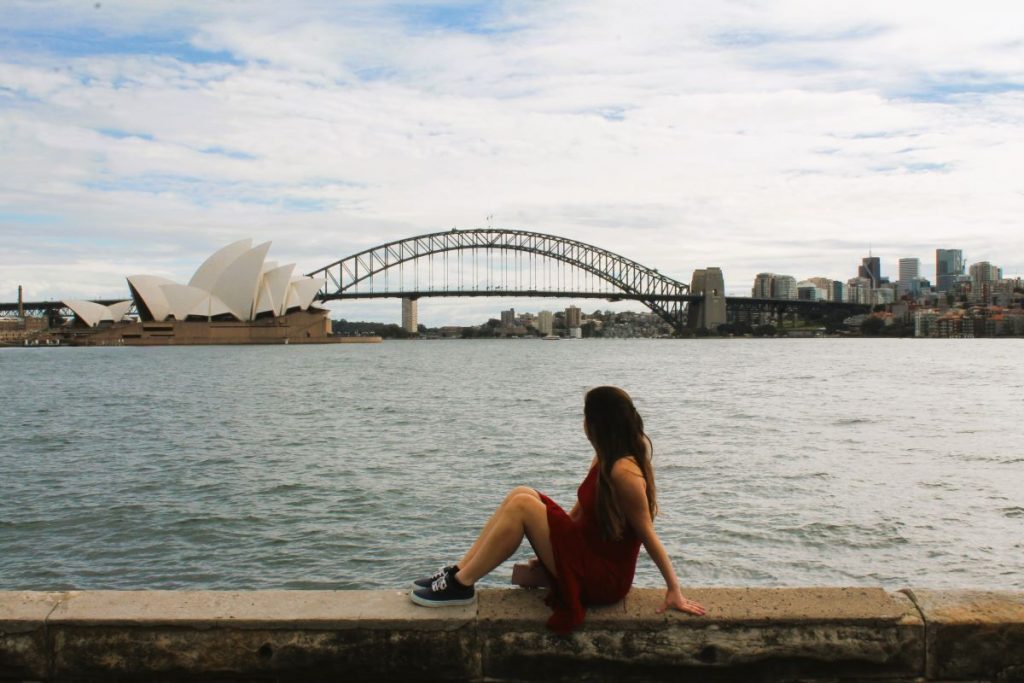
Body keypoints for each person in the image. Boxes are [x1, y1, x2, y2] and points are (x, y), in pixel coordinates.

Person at [409, 386, 706, 633]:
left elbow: (647, 535)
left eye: (584, 416)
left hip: (605, 580)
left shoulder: (623, 473)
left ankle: (461, 586)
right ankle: (458, 572)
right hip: (586, 556)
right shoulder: (604, 457)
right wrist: (549, 549)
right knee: (522, 493)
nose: (582, 422)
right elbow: (577, 515)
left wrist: (674, 589)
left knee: (524, 505)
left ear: (595, 423)